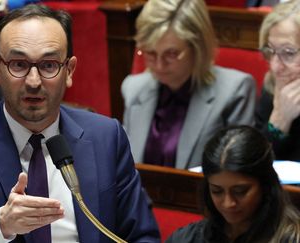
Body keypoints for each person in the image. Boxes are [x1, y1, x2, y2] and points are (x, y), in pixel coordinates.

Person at [0, 4, 160, 243]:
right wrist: (0, 224)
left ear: (70, 71)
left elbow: (142, 235)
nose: (33, 81)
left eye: (49, 65)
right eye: (19, 65)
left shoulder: (106, 137)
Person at [121, 0, 256, 169]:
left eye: (171, 54)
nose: (159, 65)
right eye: (150, 53)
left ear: (197, 47)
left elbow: (238, 173)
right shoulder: (132, 88)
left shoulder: (235, 91)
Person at [166, 125, 300, 243]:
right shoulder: (187, 239)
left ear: (265, 185)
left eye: (240, 191)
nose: (228, 203)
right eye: (217, 191)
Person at [255, 0, 300, 161]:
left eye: (288, 53)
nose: (275, 67)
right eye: (271, 51)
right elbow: (253, 165)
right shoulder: (272, 87)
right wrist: (280, 120)